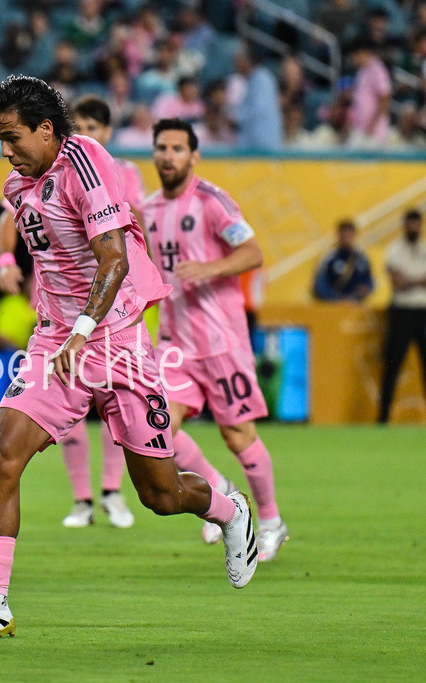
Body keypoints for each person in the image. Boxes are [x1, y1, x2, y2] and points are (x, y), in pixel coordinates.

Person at [0, 76, 257, 639]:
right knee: (1, 458)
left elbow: (112, 259)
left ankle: (228, 509)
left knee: (160, 495)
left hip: (117, 341)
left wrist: (81, 331)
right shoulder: (19, 185)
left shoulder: (86, 161)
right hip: (55, 342)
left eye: (12, 137)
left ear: (46, 130)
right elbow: (27, 237)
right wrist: (15, 277)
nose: (5, 150)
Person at [142, 118, 289, 562]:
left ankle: (270, 521)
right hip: (173, 344)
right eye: (161, 147)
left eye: (177, 148)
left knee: (238, 435)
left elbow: (253, 252)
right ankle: (221, 489)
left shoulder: (211, 200)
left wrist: (208, 268)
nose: (168, 155)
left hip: (222, 342)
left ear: (194, 156)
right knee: (158, 428)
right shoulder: (147, 210)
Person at [0, 95, 142, 529]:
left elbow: (133, 230)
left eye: (95, 127)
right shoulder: (26, 175)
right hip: (57, 317)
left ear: (107, 133)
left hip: (112, 314)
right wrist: (7, 263)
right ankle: (83, 499)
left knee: (119, 417)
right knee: (49, 423)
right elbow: (11, 220)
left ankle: (114, 493)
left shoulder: (117, 171)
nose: (86, 135)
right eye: (81, 126)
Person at [378, 208, 426, 423]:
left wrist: (409, 281)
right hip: (402, 312)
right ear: (404, 225)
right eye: (410, 223)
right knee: (392, 364)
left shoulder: (424, 249)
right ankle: (383, 417)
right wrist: (419, 281)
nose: (413, 227)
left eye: (416, 223)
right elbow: (397, 283)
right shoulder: (395, 249)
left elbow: (404, 281)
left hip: (423, 311)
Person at [312, 219, 374, 302]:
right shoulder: (329, 258)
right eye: (344, 235)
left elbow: (369, 280)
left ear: (355, 235)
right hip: (333, 306)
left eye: (349, 235)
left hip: (355, 305)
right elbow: (319, 285)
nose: (347, 239)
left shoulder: (362, 258)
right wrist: (337, 298)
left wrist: (366, 289)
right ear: (338, 236)